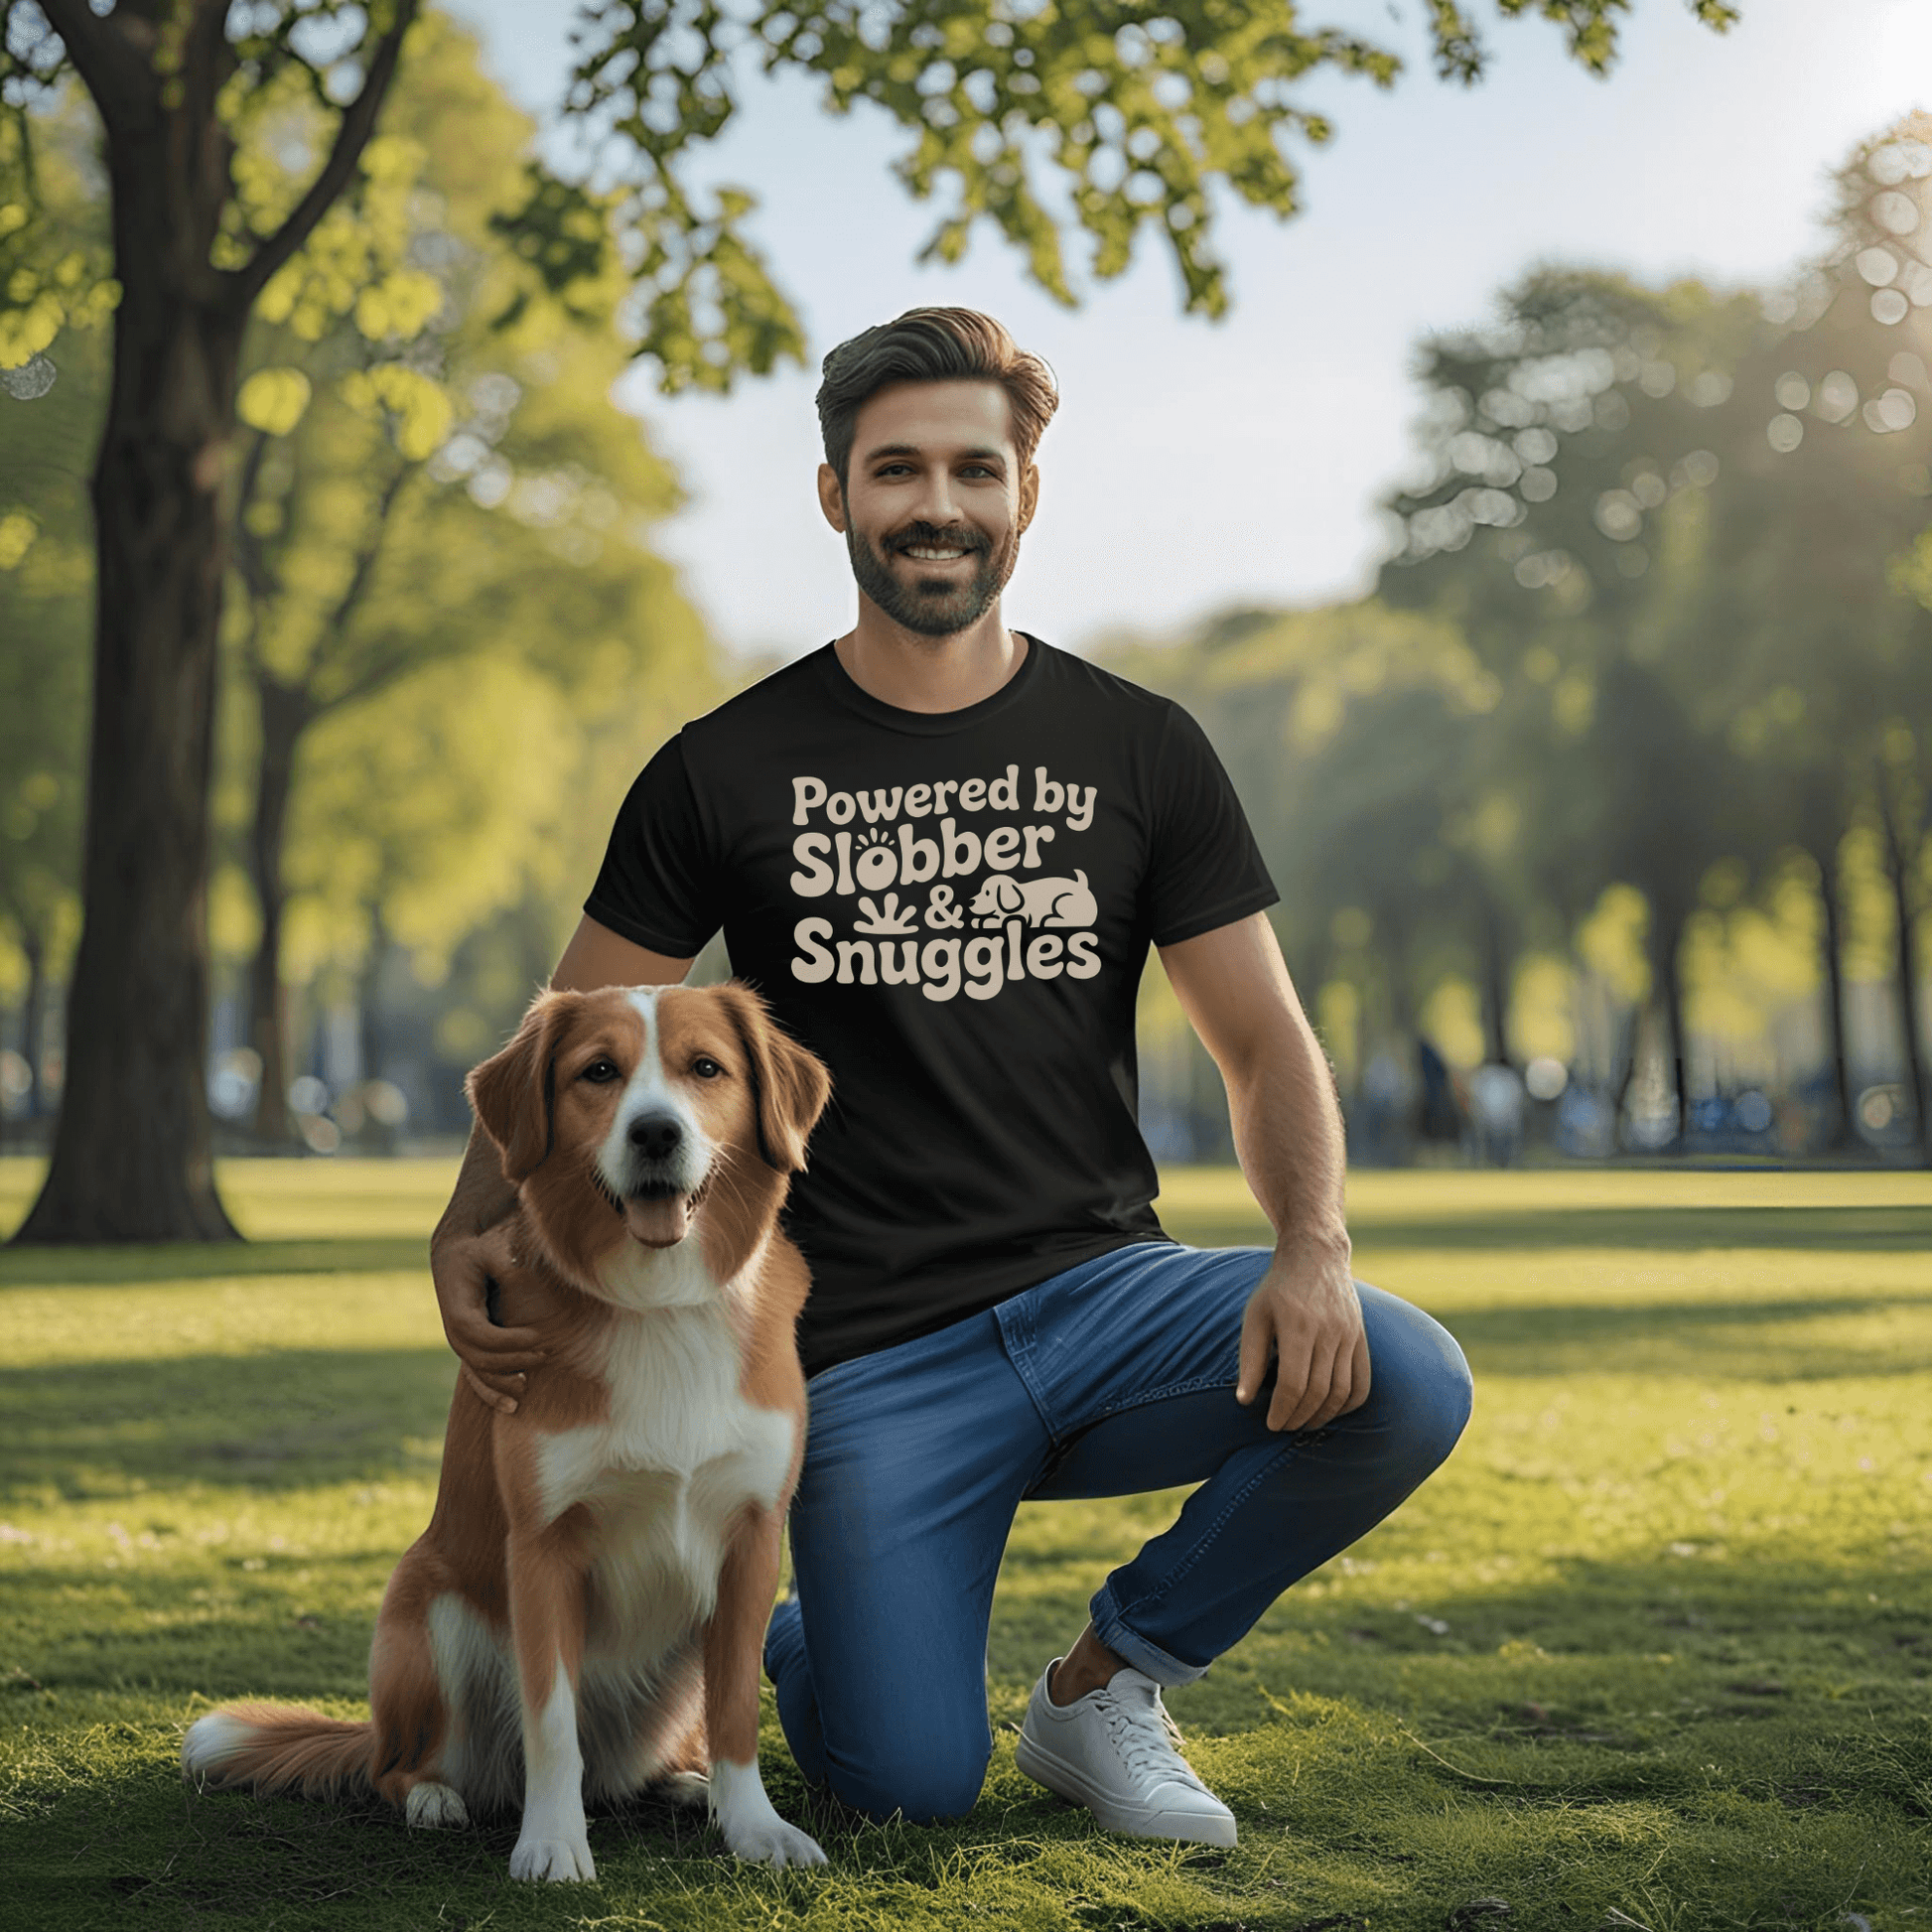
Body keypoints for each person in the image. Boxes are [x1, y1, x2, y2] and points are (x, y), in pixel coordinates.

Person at [431, 307, 1472, 1848]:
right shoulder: (721, 769)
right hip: (860, 1357)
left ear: (1025, 493)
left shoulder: (1142, 746)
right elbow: (569, 1027)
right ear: (835, 493)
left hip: (1108, 1302)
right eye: (895, 467)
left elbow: (1262, 1042)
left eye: (973, 469)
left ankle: (1103, 1684)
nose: (937, 504)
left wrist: (1311, 1248)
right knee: (903, 1783)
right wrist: (462, 1236)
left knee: (1403, 1376)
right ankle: (792, 1638)